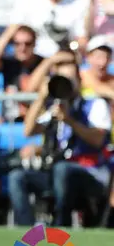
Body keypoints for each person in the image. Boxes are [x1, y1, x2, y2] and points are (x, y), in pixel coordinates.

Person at [14, 58, 111, 226]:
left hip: (90, 172)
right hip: (58, 172)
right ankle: (27, 231)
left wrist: (69, 121)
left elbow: (98, 139)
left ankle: (61, 228)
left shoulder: (95, 104)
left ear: (79, 81)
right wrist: (41, 97)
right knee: (17, 177)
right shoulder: (56, 108)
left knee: (62, 170)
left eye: (70, 79)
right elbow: (28, 131)